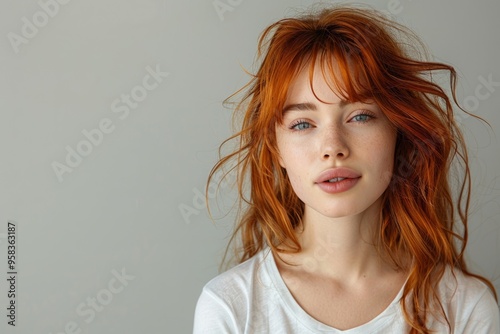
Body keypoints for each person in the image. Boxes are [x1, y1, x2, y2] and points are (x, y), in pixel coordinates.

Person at [193, 4, 500, 334]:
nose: (332, 147)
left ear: (399, 131)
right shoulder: (231, 307)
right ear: (275, 148)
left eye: (360, 116)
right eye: (302, 124)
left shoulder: (464, 308)